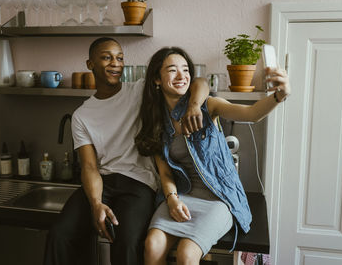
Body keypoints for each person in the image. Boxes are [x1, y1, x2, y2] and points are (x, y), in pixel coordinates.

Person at [43, 38, 209, 265]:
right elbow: (90, 167)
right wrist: (96, 204)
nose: (115, 63)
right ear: (90, 64)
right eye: (106, 57)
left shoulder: (140, 91)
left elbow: (200, 82)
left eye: (120, 58)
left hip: (139, 184)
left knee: (128, 240)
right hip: (103, 181)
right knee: (60, 235)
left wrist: (194, 105)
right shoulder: (82, 115)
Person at [135, 47, 291, 264]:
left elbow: (252, 114)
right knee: (152, 246)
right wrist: (172, 201)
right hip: (182, 195)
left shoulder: (207, 106)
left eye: (185, 69)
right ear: (157, 79)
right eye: (172, 70)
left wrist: (278, 96)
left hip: (219, 198)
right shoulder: (155, 119)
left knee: (186, 254)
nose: (181, 76)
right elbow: (165, 172)